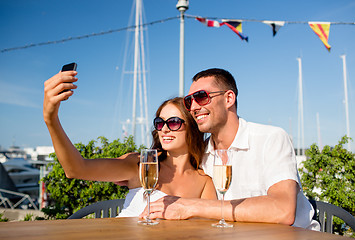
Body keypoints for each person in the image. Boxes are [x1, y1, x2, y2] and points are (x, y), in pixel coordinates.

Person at [143, 68, 320, 230]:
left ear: (228, 99)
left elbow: (282, 210)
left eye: (201, 97)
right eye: (189, 101)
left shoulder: (270, 139)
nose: (194, 107)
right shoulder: (201, 154)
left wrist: (191, 206)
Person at [42, 69, 217, 217]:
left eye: (173, 122)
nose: (164, 129)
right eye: (159, 123)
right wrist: (51, 119)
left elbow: (212, 228)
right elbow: (76, 169)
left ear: (193, 129)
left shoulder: (204, 182)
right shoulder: (142, 165)